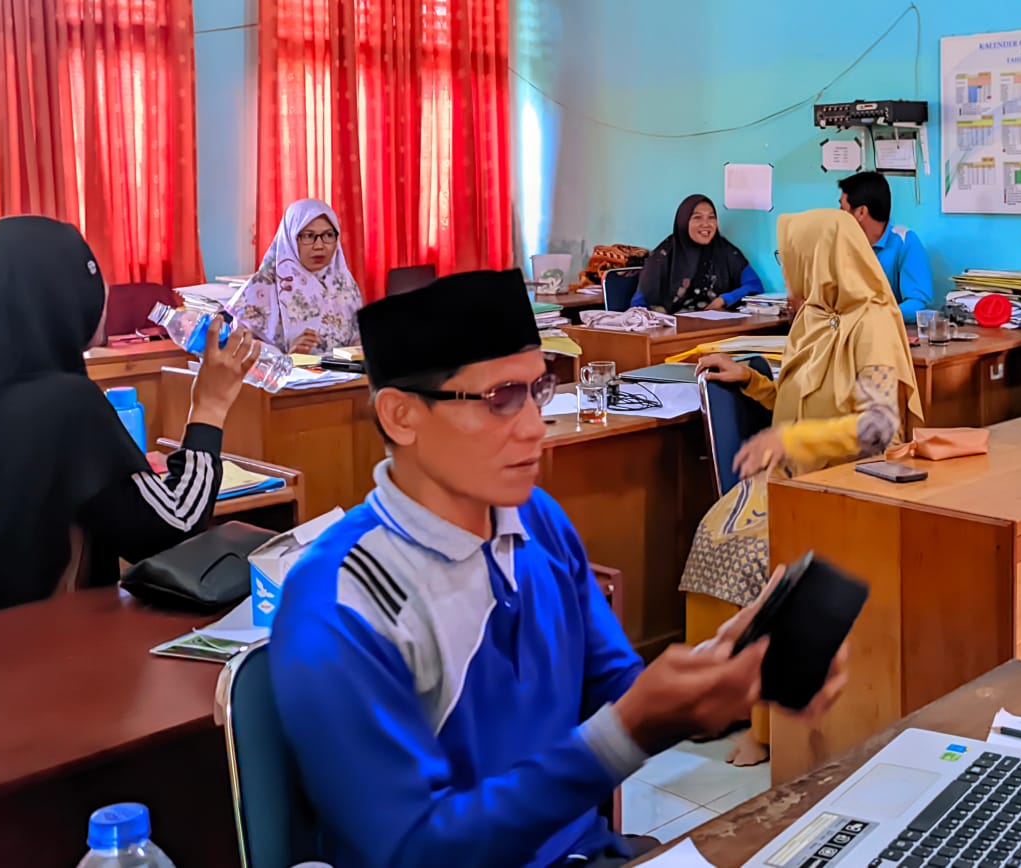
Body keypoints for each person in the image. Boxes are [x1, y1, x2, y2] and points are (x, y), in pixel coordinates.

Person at [268, 269, 845, 868]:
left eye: (536, 389)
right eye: (500, 399)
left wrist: (716, 683)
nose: (533, 427)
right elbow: (414, 851)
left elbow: (612, 686)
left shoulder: (535, 518)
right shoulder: (340, 604)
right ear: (401, 416)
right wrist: (629, 730)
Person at [681, 209, 924, 766]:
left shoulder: (872, 322)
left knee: (763, 560)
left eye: (789, 255)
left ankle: (768, 724)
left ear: (820, 258)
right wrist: (751, 379)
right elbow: (798, 399)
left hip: (850, 478)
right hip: (792, 477)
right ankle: (718, 696)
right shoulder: (815, 314)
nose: (784, 266)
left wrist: (791, 441)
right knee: (714, 532)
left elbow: (878, 427)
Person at [0, 216, 261, 618]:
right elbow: (174, 526)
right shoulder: (65, 404)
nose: (102, 292)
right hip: (36, 646)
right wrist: (210, 406)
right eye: (87, 276)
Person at [227, 198, 364, 354]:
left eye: (328, 235)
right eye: (308, 236)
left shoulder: (344, 284)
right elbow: (237, 354)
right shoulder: (259, 289)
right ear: (289, 238)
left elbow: (359, 342)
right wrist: (288, 357)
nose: (319, 245)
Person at [632, 194, 764, 313]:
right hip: (671, 328)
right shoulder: (664, 255)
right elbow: (638, 304)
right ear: (684, 222)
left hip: (715, 326)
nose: (706, 224)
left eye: (711, 217)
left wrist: (724, 299)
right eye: (697, 217)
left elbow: (754, 285)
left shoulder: (724, 250)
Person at [838, 170, 934, 318]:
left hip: (889, 327)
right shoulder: (841, 244)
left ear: (861, 212)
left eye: (842, 209)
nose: (838, 216)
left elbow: (918, 303)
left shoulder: (905, 242)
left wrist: (876, 317)